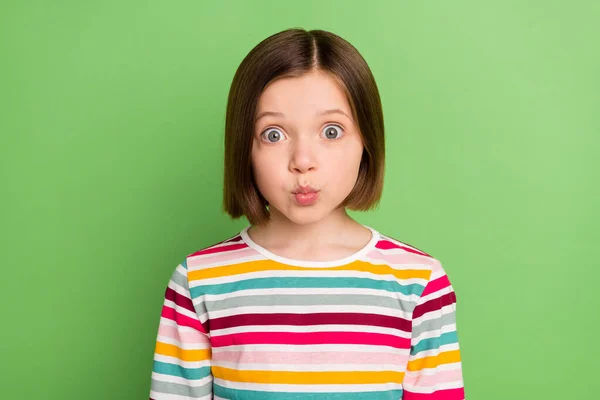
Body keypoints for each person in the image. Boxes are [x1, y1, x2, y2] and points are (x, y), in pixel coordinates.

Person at [149, 28, 465, 400]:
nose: (302, 162)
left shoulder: (420, 283)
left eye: (331, 131)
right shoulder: (198, 281)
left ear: (367, 141)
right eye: (273, 134)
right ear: (243, 148)